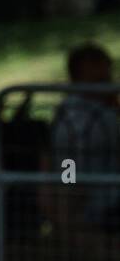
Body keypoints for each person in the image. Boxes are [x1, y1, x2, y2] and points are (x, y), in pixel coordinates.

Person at [47, 43, 120, 231]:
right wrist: (71, 196)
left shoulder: (67, 112)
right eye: (100, 78)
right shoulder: (90, 118)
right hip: (98, 203)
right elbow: (70, 160)